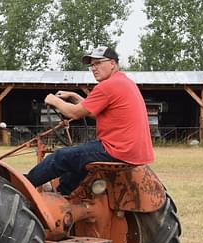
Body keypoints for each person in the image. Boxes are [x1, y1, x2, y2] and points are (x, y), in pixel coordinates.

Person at [26, 46, 154, 195]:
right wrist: (74, 96)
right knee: (78, 161)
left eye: (98, 63)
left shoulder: (108, 86)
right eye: (91, 65)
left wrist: (53, 100)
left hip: (116, 150)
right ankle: (63, 193)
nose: (94, 68)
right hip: (134, 151)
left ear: (112, 63)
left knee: (61, 157)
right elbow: (93, 111)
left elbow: (74, 113)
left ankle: (25, 186)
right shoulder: (124, 82)